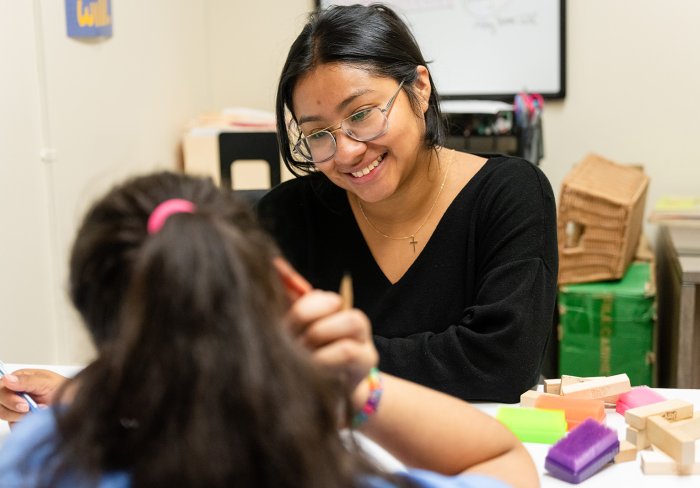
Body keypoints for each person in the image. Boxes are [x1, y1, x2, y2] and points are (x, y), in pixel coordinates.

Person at [0, 172, 538, 487]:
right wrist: (356, 389)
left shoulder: (31, 461)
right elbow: (501, 459)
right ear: (282, 287)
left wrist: (86, 393)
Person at [256, 3, 558, 403]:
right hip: (335, 455)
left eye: (362, 114)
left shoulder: (511, 194)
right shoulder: (286, 216)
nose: (345, 152)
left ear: (419, 87)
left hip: (475, 449)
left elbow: (502, 366)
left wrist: (339, 358)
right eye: (317, 135)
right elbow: (257, 360)